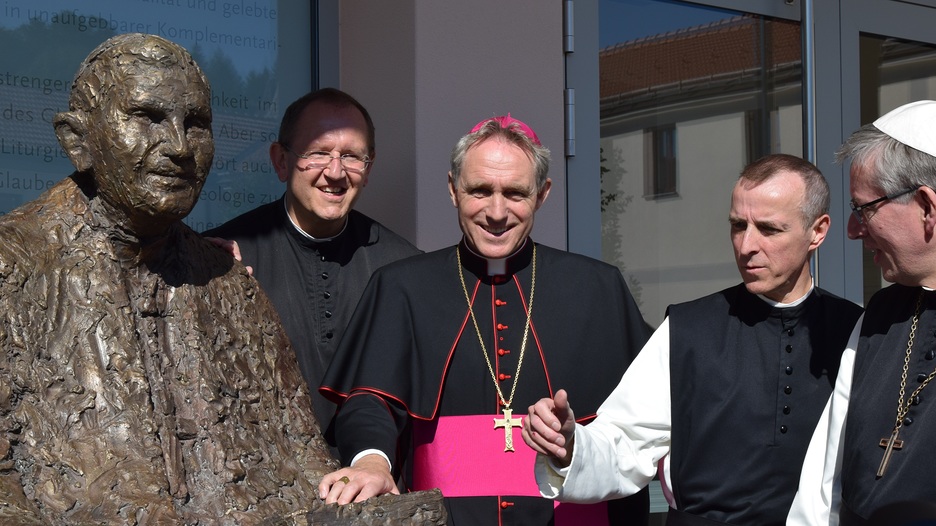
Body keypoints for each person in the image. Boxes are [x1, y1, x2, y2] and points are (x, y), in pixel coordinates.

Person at [0, 33, 336, 524]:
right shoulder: (12, 270)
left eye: (196, 124)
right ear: (78, 141)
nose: (179, 147)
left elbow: (305, 463)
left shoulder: (227, 281)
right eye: (147, 118)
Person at [316, 114, 653, 525]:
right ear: (453, 189)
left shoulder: (597, 288)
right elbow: (370, 400)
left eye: (515, 193)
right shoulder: (403, 287)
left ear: (542, 194)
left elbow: (645, 416)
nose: (497, 212)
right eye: (479, 191)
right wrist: (372, 462)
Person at [521, 154, 863, 525]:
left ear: (818, 231)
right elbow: (625, 442)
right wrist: (572, 447)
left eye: (769, 229)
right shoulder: (687, 329)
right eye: (737, 225)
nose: (746, 245)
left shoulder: (858, 333)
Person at [787, 99, 936, 526]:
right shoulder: (880, 313)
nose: (851, 231)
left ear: (926, 206)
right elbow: (824, 480)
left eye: (863, 208)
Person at [204, 88, 420, 445]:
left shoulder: (404, 268)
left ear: (368, 169)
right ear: (281, 161)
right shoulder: (225, 258)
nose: (335, 173)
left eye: (351, 157)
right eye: (318, 154)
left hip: (370, 484)